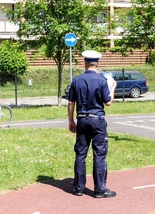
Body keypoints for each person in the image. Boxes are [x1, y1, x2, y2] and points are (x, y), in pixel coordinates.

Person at [67, 50, 117, 198]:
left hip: (82, 119)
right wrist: (112, 87)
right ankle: (99, 190)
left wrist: (71, 120)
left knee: (81, 154)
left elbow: (71, 102)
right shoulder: (102, 80)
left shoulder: (76, 80)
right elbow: (108, 102)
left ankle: (78, 188)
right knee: (99, 154)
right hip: (98, 120)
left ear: (85, 63)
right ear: (98, 63)